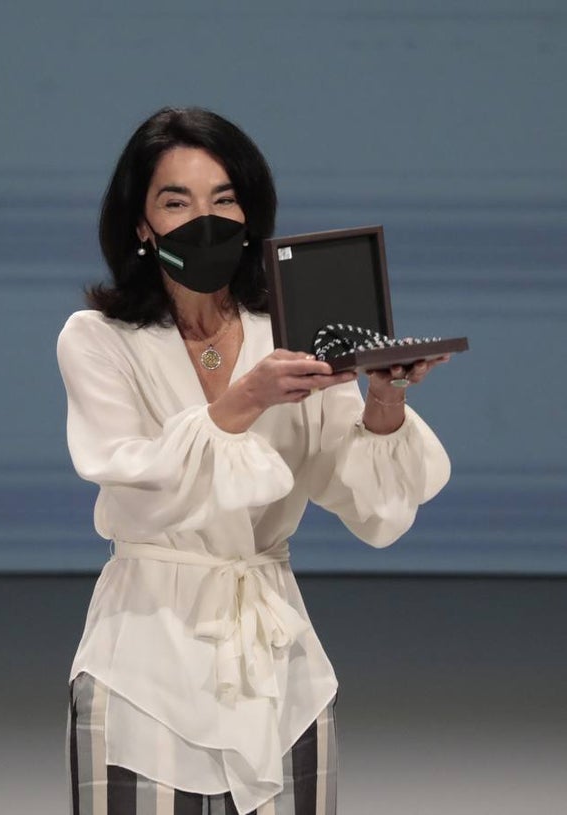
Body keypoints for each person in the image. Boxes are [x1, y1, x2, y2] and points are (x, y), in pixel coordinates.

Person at [58, 107, 450, 815]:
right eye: (176, 202)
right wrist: (245, 399)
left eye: (224, 199)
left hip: (278, 664)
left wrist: (384, 397)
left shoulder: (290, 334)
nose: (203, 220)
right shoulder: (99, 338)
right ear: (141, 224)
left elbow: (367, 504)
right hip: (145, 658)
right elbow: (135, 476)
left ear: (250, 214)